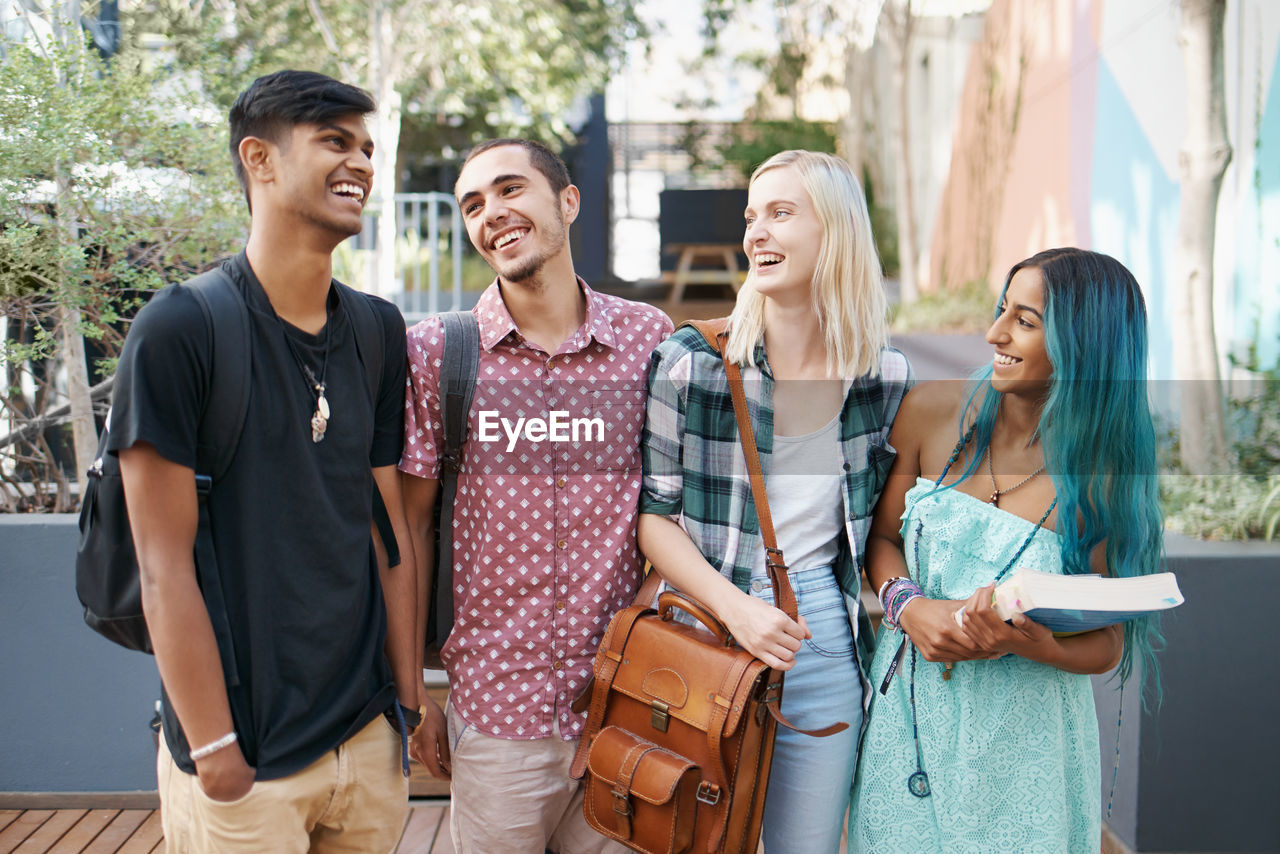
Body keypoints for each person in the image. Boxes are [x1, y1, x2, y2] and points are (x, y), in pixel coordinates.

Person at [114, 70, 418, 852]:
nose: (360, 163)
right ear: (260, 159)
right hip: (244, 757)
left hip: (365, 739)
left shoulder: (380, 332)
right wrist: (214, 751)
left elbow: (387, 530)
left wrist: (406, 708)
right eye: (334, 142)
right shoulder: (181, 328)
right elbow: (160, 565)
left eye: (366, 148)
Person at [400, 138, 673, 853]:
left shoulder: (649, 340)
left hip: (626, 712)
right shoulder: (438, 352)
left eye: (510, 189)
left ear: (568, 201)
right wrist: (414, 693)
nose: (492, 213)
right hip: (497, 716)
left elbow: (672, 509)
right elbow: (410, 530)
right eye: (473, 204)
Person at [638, 150, 911, 853]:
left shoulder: (881, 376)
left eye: (781, 213)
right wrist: (738, 609)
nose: (756, 232)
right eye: (752, 217)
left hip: (820, 632)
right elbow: (655, 521)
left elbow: (886, 524)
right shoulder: (693, 363)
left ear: (838, 231)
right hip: (705, 623)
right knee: (695, 841)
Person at [849, 247, 1164, 853]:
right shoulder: (930, 412)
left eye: (1025, 321)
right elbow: (882, 541)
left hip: (1029, 743)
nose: (995, 333)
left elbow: (1109, 644)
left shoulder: (1103, 477)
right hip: (908, 726)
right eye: (1001, 311)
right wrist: (909, 607)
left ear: (1084, 341)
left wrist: (1038, 644)